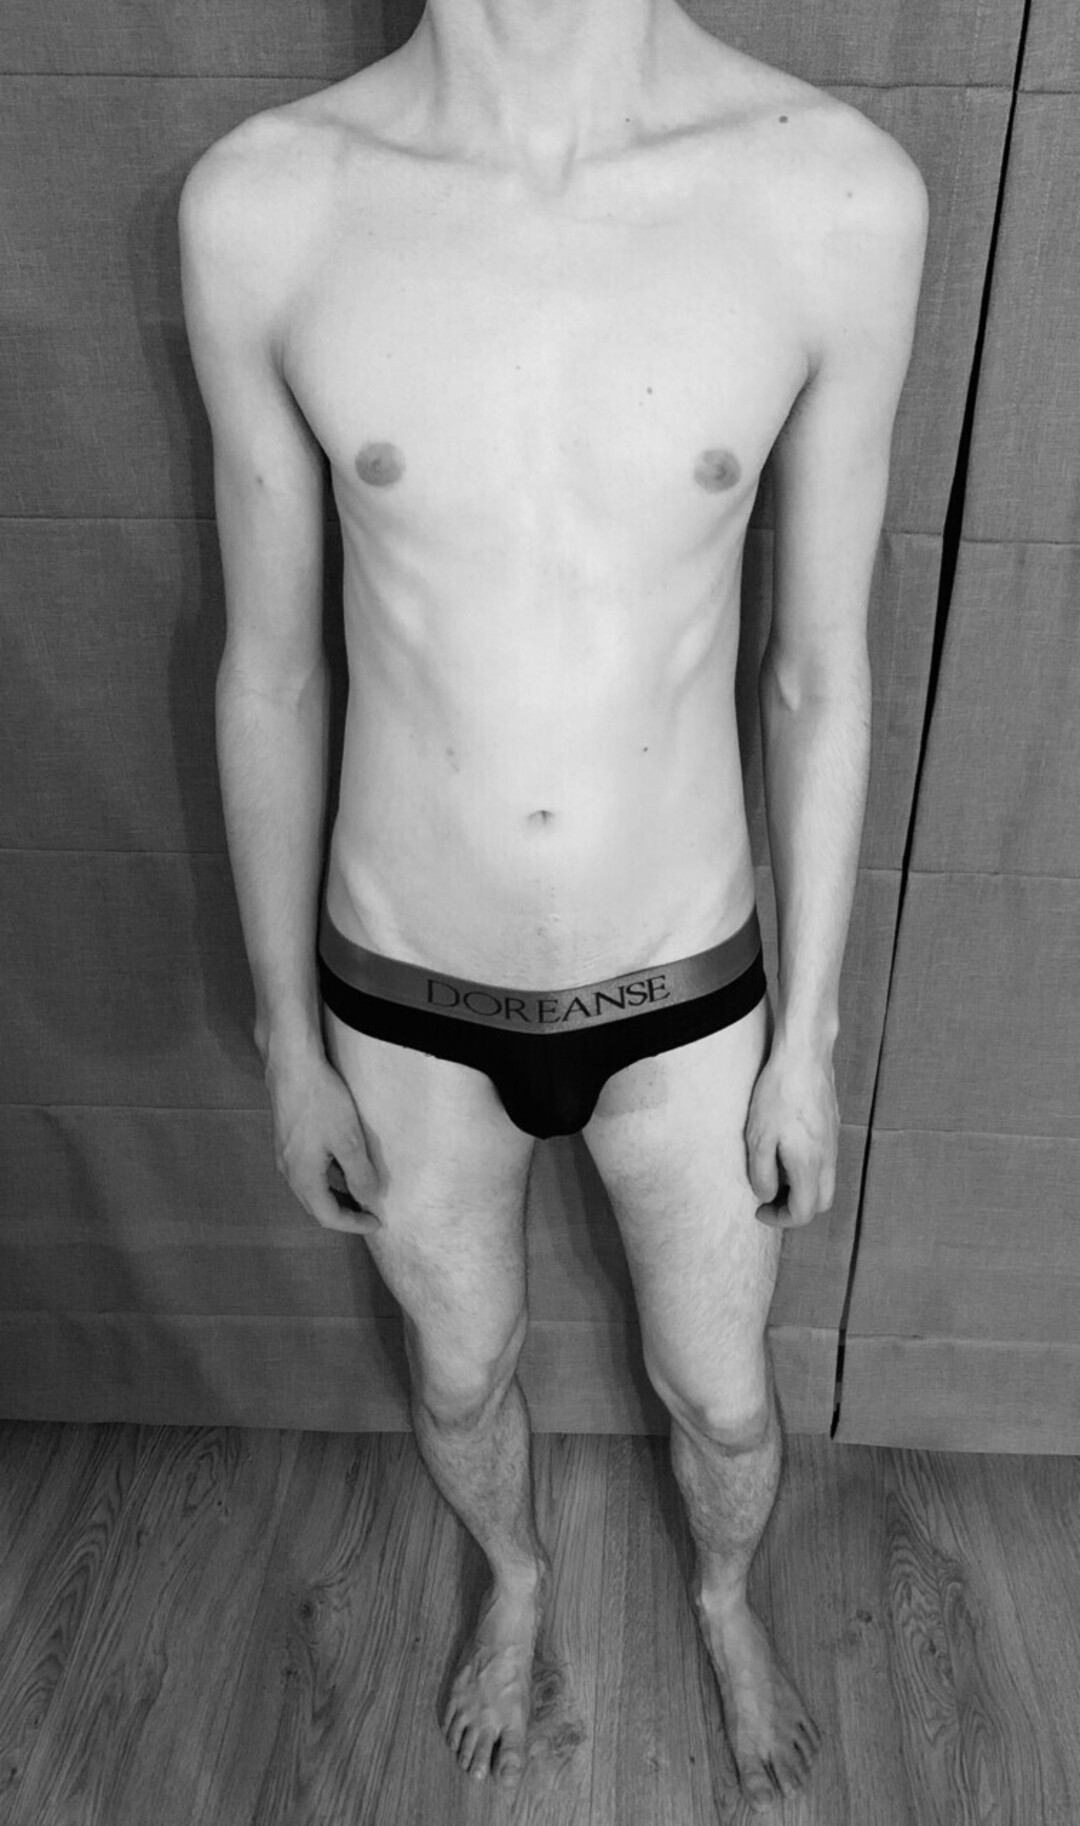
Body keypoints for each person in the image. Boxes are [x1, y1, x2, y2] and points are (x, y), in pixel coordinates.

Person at [179, 0, 928, 1807]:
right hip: (398, 987)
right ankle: (514, 1577)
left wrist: (809, 1039)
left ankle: (725, 1593)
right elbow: (271, 670)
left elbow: (819, 672)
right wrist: (287, 1038)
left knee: (725, 1394)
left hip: (689, 983)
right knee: (459, 1377)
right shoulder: (270, 204)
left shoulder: (830, 198)